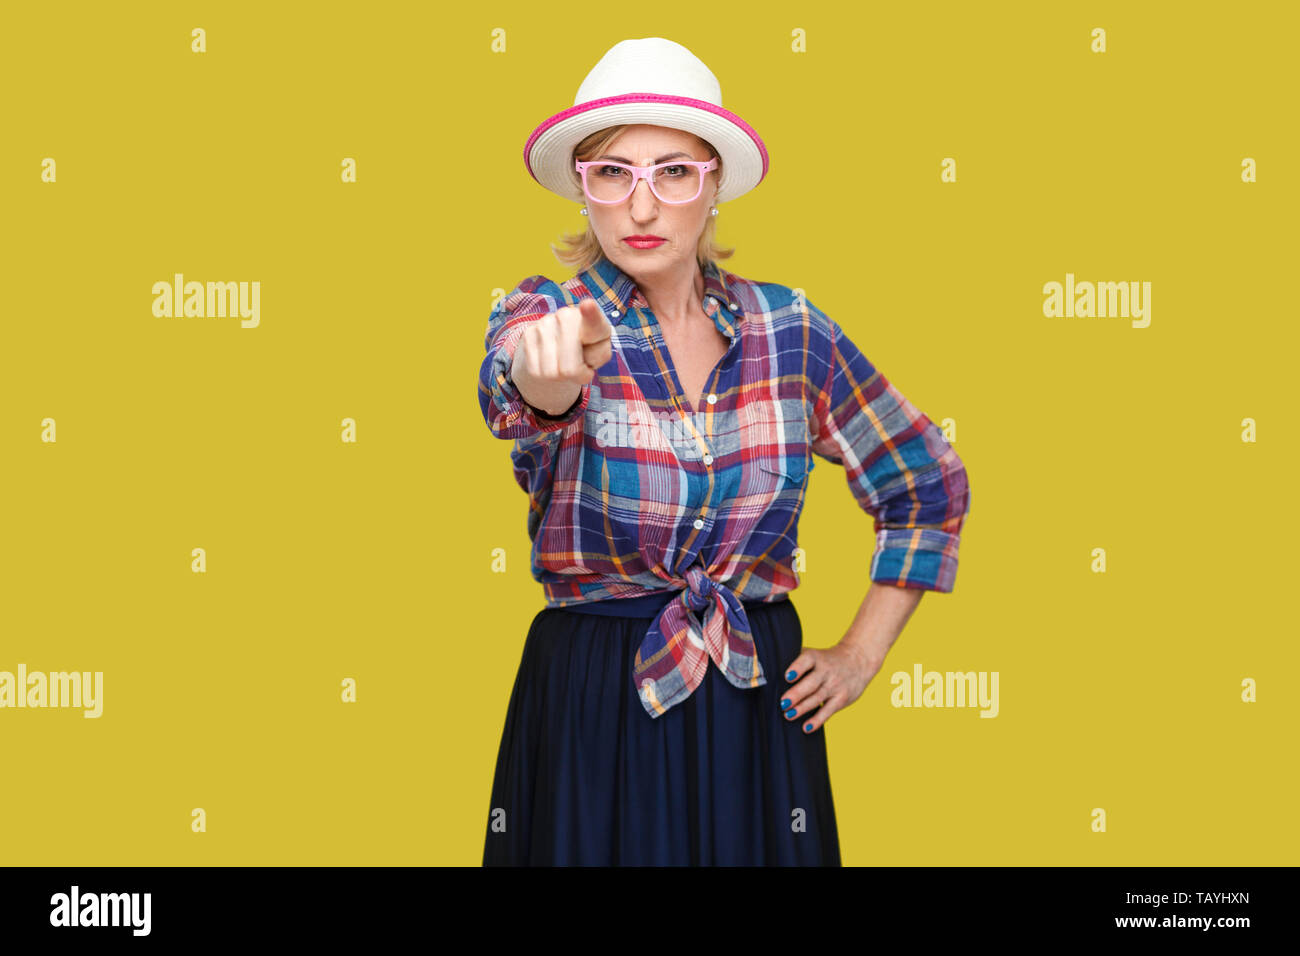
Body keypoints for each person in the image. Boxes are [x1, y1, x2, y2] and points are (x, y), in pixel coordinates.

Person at [478, 37, 971, 865]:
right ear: (582, 189)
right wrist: (543, 376)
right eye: (612, 173)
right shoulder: (547, 315)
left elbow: (925, 485)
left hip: (753, 699)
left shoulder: (791, 332)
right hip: (596, 697)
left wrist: (860, 655)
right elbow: (520, 383)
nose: (642, 208)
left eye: (672, 172)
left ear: (714, 186)